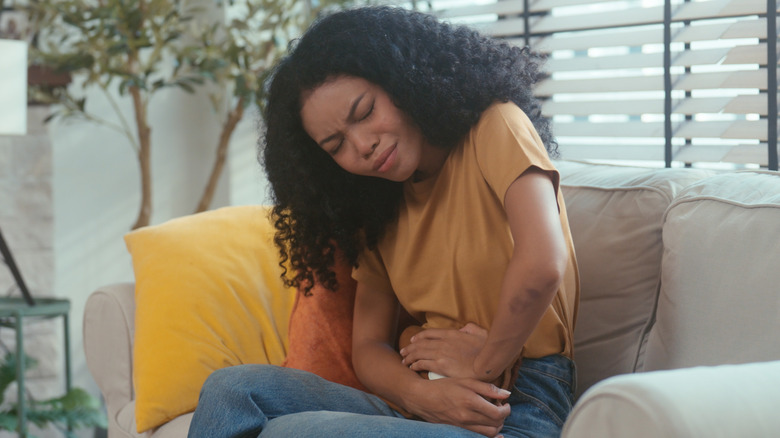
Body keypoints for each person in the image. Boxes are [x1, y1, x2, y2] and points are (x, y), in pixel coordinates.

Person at [188, 5, 579, 438]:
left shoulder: (495, 126)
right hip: (418, 402)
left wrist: (485, 361)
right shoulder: (380, 207)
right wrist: (422, 396)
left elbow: (543, 263)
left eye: (364, 111)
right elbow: (368, 348)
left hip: (514, 404)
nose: (362, 146)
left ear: (403, 80)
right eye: (336, 144)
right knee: (232, 388)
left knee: (299, 431)